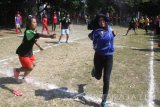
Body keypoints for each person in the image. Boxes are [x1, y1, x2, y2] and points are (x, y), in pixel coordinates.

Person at [14, 15, 56, 82]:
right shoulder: (28, 32)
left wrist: (39, 47)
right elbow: (39, 35)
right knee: (29, 68)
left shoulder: (33, 31)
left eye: (36, 22)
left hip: (29, 52)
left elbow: (34, 40)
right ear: (29, 24)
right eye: (33, 22)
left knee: (33, 65)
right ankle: (17, 70)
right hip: (23, 53)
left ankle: (24, 77)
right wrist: (49, 36)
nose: (35, 23)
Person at [88, 14, 116, 107]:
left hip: (109, 57)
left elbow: (110, 36)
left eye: (103, 20)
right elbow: (91, 37)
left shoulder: (110, 28)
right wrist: (93, 36)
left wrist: (113, 33)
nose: (102, 22)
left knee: (106, 79)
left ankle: (103, 101)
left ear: (106, 21)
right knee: (98, 77)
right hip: (99, 57)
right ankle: (95, 70)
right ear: (98, 22)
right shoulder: (97, 31)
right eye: (100, 20)